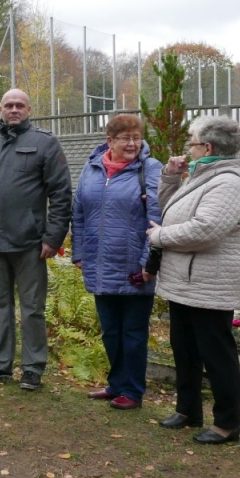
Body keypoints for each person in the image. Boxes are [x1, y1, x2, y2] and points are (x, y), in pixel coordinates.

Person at [146, 115, 240, 445]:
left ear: (208, 147)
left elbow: (206, 230)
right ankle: (188, 410)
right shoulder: (200, 177)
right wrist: (170, 177)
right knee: (185, 350)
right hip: (185, 282)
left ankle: (227, 424)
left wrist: (160, 237)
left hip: (210, 284)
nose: (187, 147)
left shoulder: (227, 183)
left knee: (216, 355)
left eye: (191, 141)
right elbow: (169, 208)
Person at [0, 89, 72, 390]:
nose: (14, 110)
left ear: (29, 109)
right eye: (9, 105)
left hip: (30, 244)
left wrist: (53, 237)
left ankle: (33, 368)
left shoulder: (45, 143)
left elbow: (61, 195)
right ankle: (1, 364)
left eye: (20, 106)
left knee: (32, 308)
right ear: (0, 109)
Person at [72, 114, 162, 410]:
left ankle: (133, 391)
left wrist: (148, 263)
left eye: (137, 138)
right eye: (126, 138)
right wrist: (80, 253)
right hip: (100, 262)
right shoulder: (92, 168)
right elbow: (80, 213)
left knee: (133, 332)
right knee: (110, 329)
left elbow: (157, 219)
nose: (133, 144)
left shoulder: (150, 169)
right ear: (109, 141)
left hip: (134, 266)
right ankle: (116, 384)